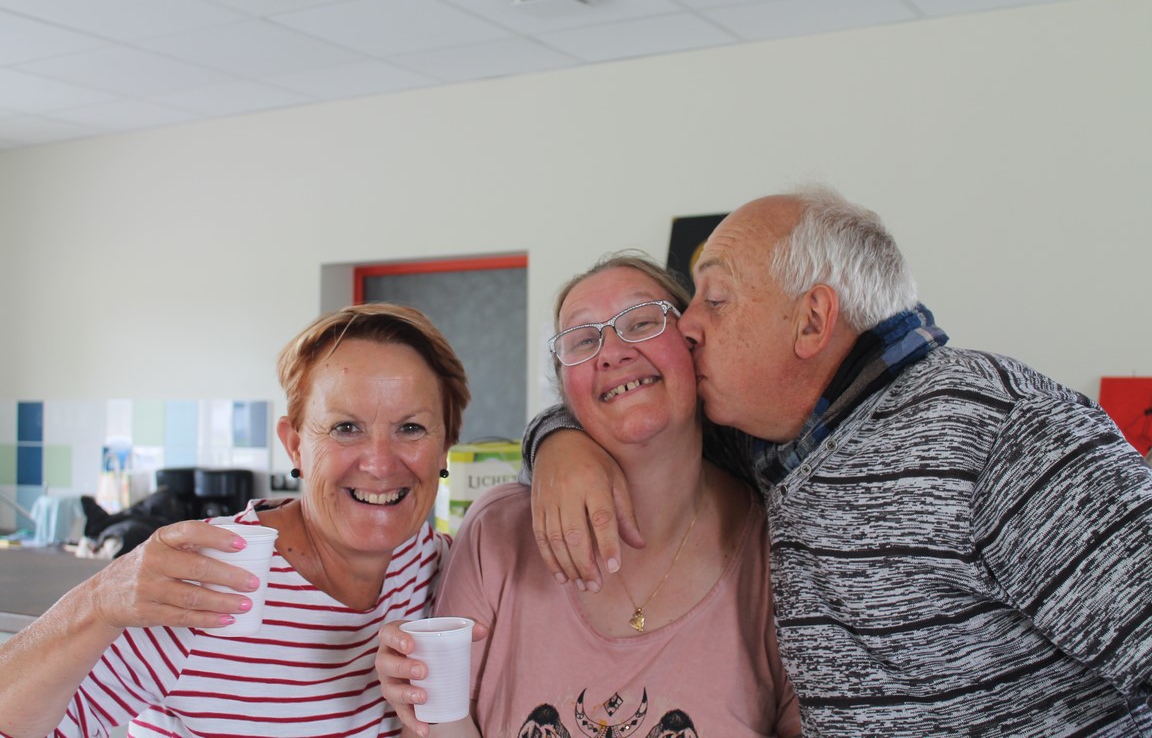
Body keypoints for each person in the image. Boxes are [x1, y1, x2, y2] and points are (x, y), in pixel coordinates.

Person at [523, 187, 1152, 736]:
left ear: (812, 321)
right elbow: (642, 420)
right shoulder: (776, 448)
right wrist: (558, 442)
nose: (687, 328)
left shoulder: (997, 431)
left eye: (715, 299)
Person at [0, 303, 470, 738]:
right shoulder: (210, 577)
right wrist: (98, 599)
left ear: (444, 447)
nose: (380, 463)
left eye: (411, 428)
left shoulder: (447, 568)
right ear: (295, 446)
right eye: (345, 428)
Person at [378, 254, 800, 737]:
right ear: (565, 392)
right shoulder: (497, 531)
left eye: (642, 321)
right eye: (582, 339)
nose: (612, 352)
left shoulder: (780, 550)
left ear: (694, 347)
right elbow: (436, 723)